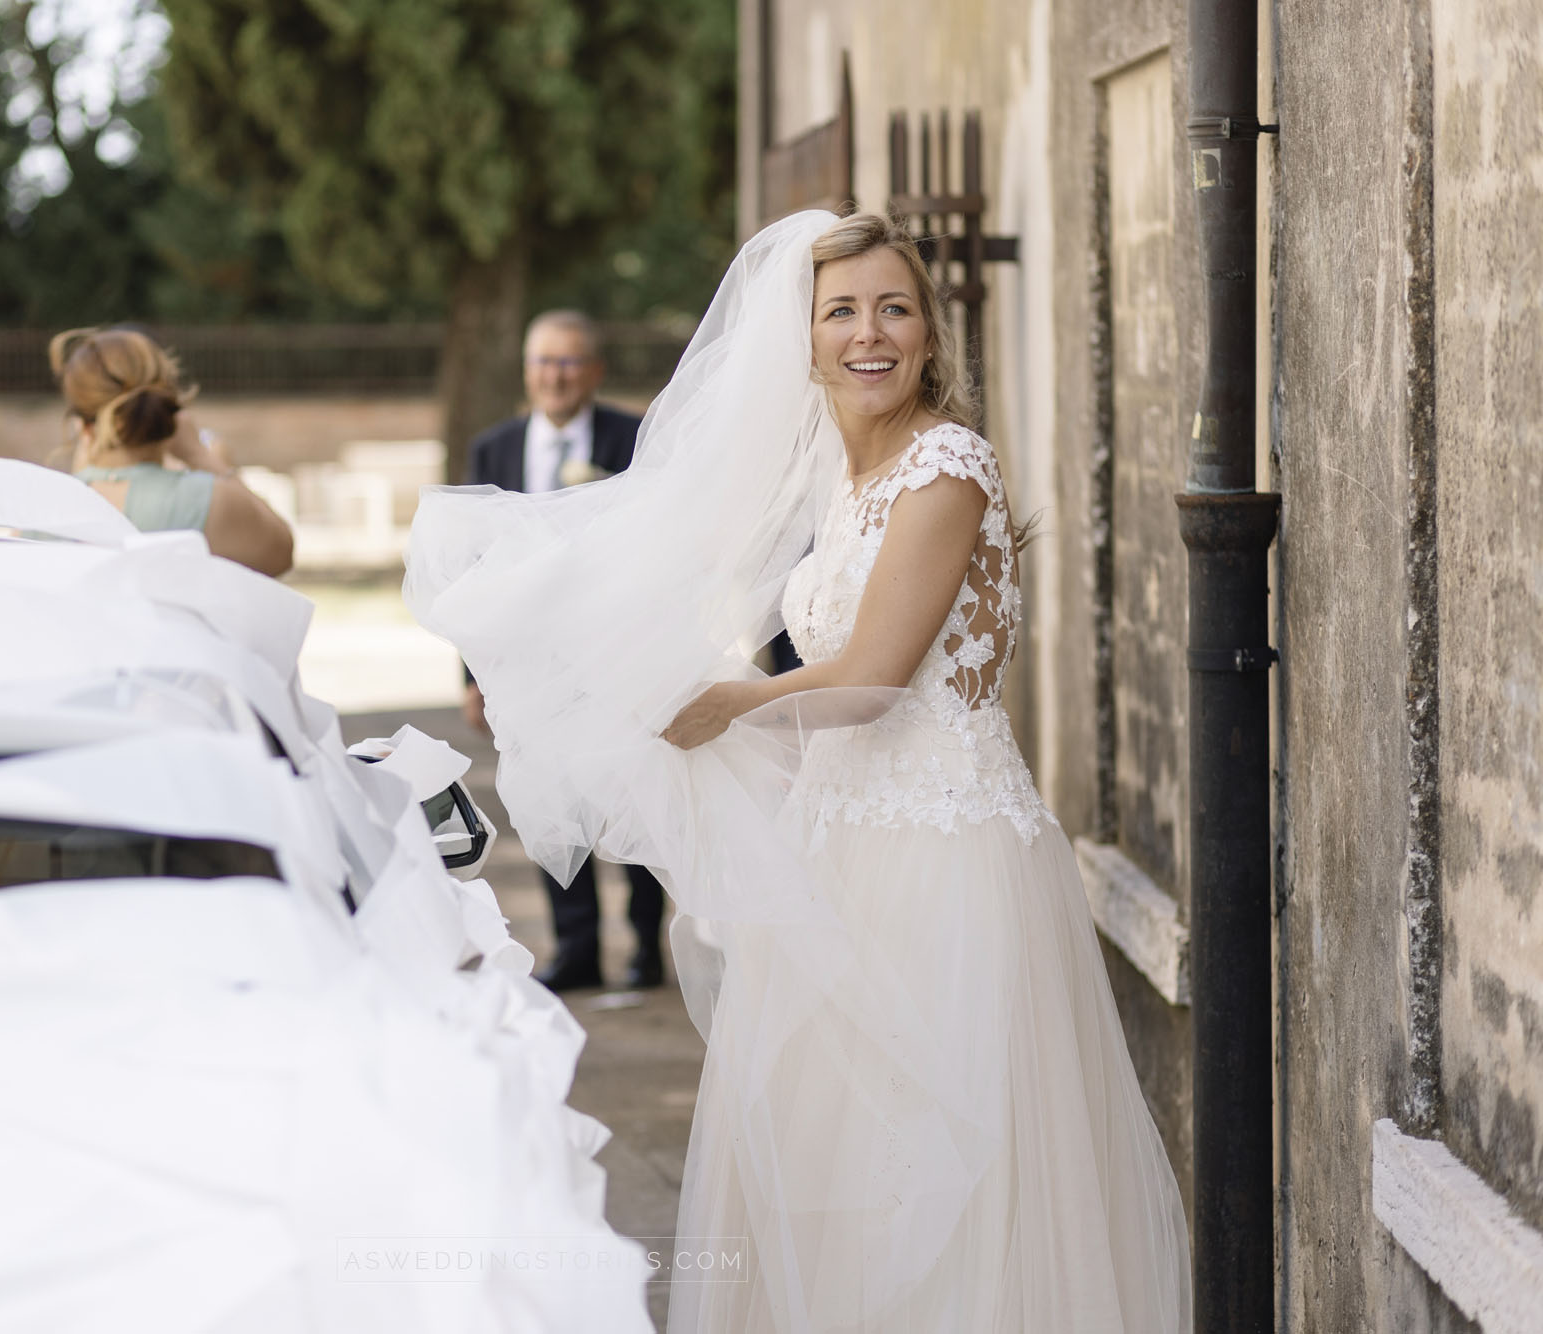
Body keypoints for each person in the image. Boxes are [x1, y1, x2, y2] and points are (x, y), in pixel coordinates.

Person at [405, 214, 1189, 1329]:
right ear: (805, 341)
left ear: (928, 335)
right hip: (836, 850)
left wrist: (729, 704)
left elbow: (869, 680)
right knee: (832, 1167)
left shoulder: (947, 464)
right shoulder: (841, 482)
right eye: (841, 312)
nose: (869, 333)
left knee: (939, 1173)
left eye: (893, 308)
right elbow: (813, 691)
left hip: (943, 861)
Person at [461, 309, 667, 992]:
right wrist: (474, 676)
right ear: (527, 371)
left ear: (595, 371)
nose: (555, 376)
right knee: (551, 802)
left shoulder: (634, 438)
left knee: (636, 800)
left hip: (621, 653)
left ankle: (644, 949)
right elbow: (475, 574)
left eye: (570, 362)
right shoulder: (494, 449)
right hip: (531, 665)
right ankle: (575, 950)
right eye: (544, 362)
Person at [50, 326, 294, 578]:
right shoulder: (209, 498)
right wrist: (200, 455)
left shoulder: (49, 508)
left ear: (82, 424)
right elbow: (281, 553)